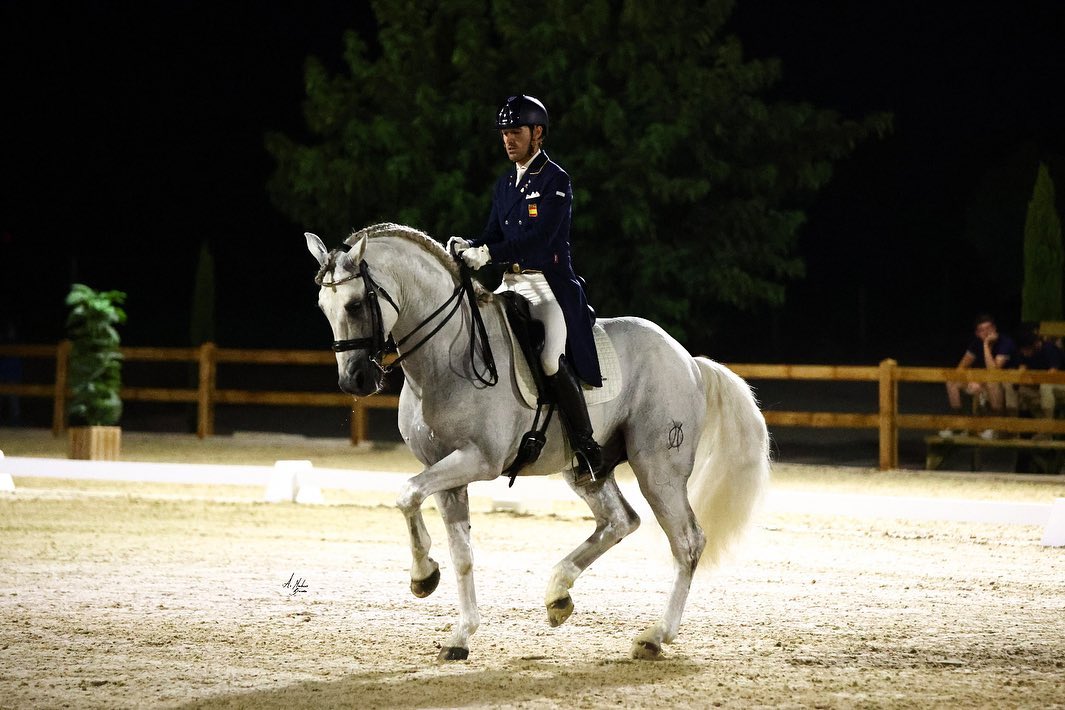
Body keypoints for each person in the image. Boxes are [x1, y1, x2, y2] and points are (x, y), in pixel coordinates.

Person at [448, 95, 604, 479]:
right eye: (504, 133)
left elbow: (542, 239)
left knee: (550, 358)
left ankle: (586, 446)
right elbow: (491, 234)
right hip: (511, 285)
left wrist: (487, 253)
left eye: (515, 132)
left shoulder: (556, 180)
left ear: (537, 133)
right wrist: (469, 245)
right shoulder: (505, 185)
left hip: (547, 286)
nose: (508, 139)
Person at [942, 313, 1016, 438]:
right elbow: (960, 368)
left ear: (995, 328)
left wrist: (986, 345)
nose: (986, 333)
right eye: (982, 330)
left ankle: (995, 428)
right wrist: (971, 382)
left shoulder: (1005, 343)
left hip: (1006, 383)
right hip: (984, 382)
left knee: (991, 383)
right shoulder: (976, 344)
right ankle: (959, 425)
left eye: (989, 329)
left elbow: (994, 373)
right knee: (952, 381)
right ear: (977, 333)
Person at [1012, 327, 1065, 420]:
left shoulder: (1049, 349)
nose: (1024, 353)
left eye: (1026, 349)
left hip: (1059, 384)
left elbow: (1052, 374)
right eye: (1022, 350)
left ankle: (1047, 429)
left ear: (1035, 344)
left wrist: (1033, 381)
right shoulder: (1023, 352)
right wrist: (1019, 379)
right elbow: (1022, 370)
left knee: (1045, 386)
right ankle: (1042, 425)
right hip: (1038, 385)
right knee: (1022, 389)